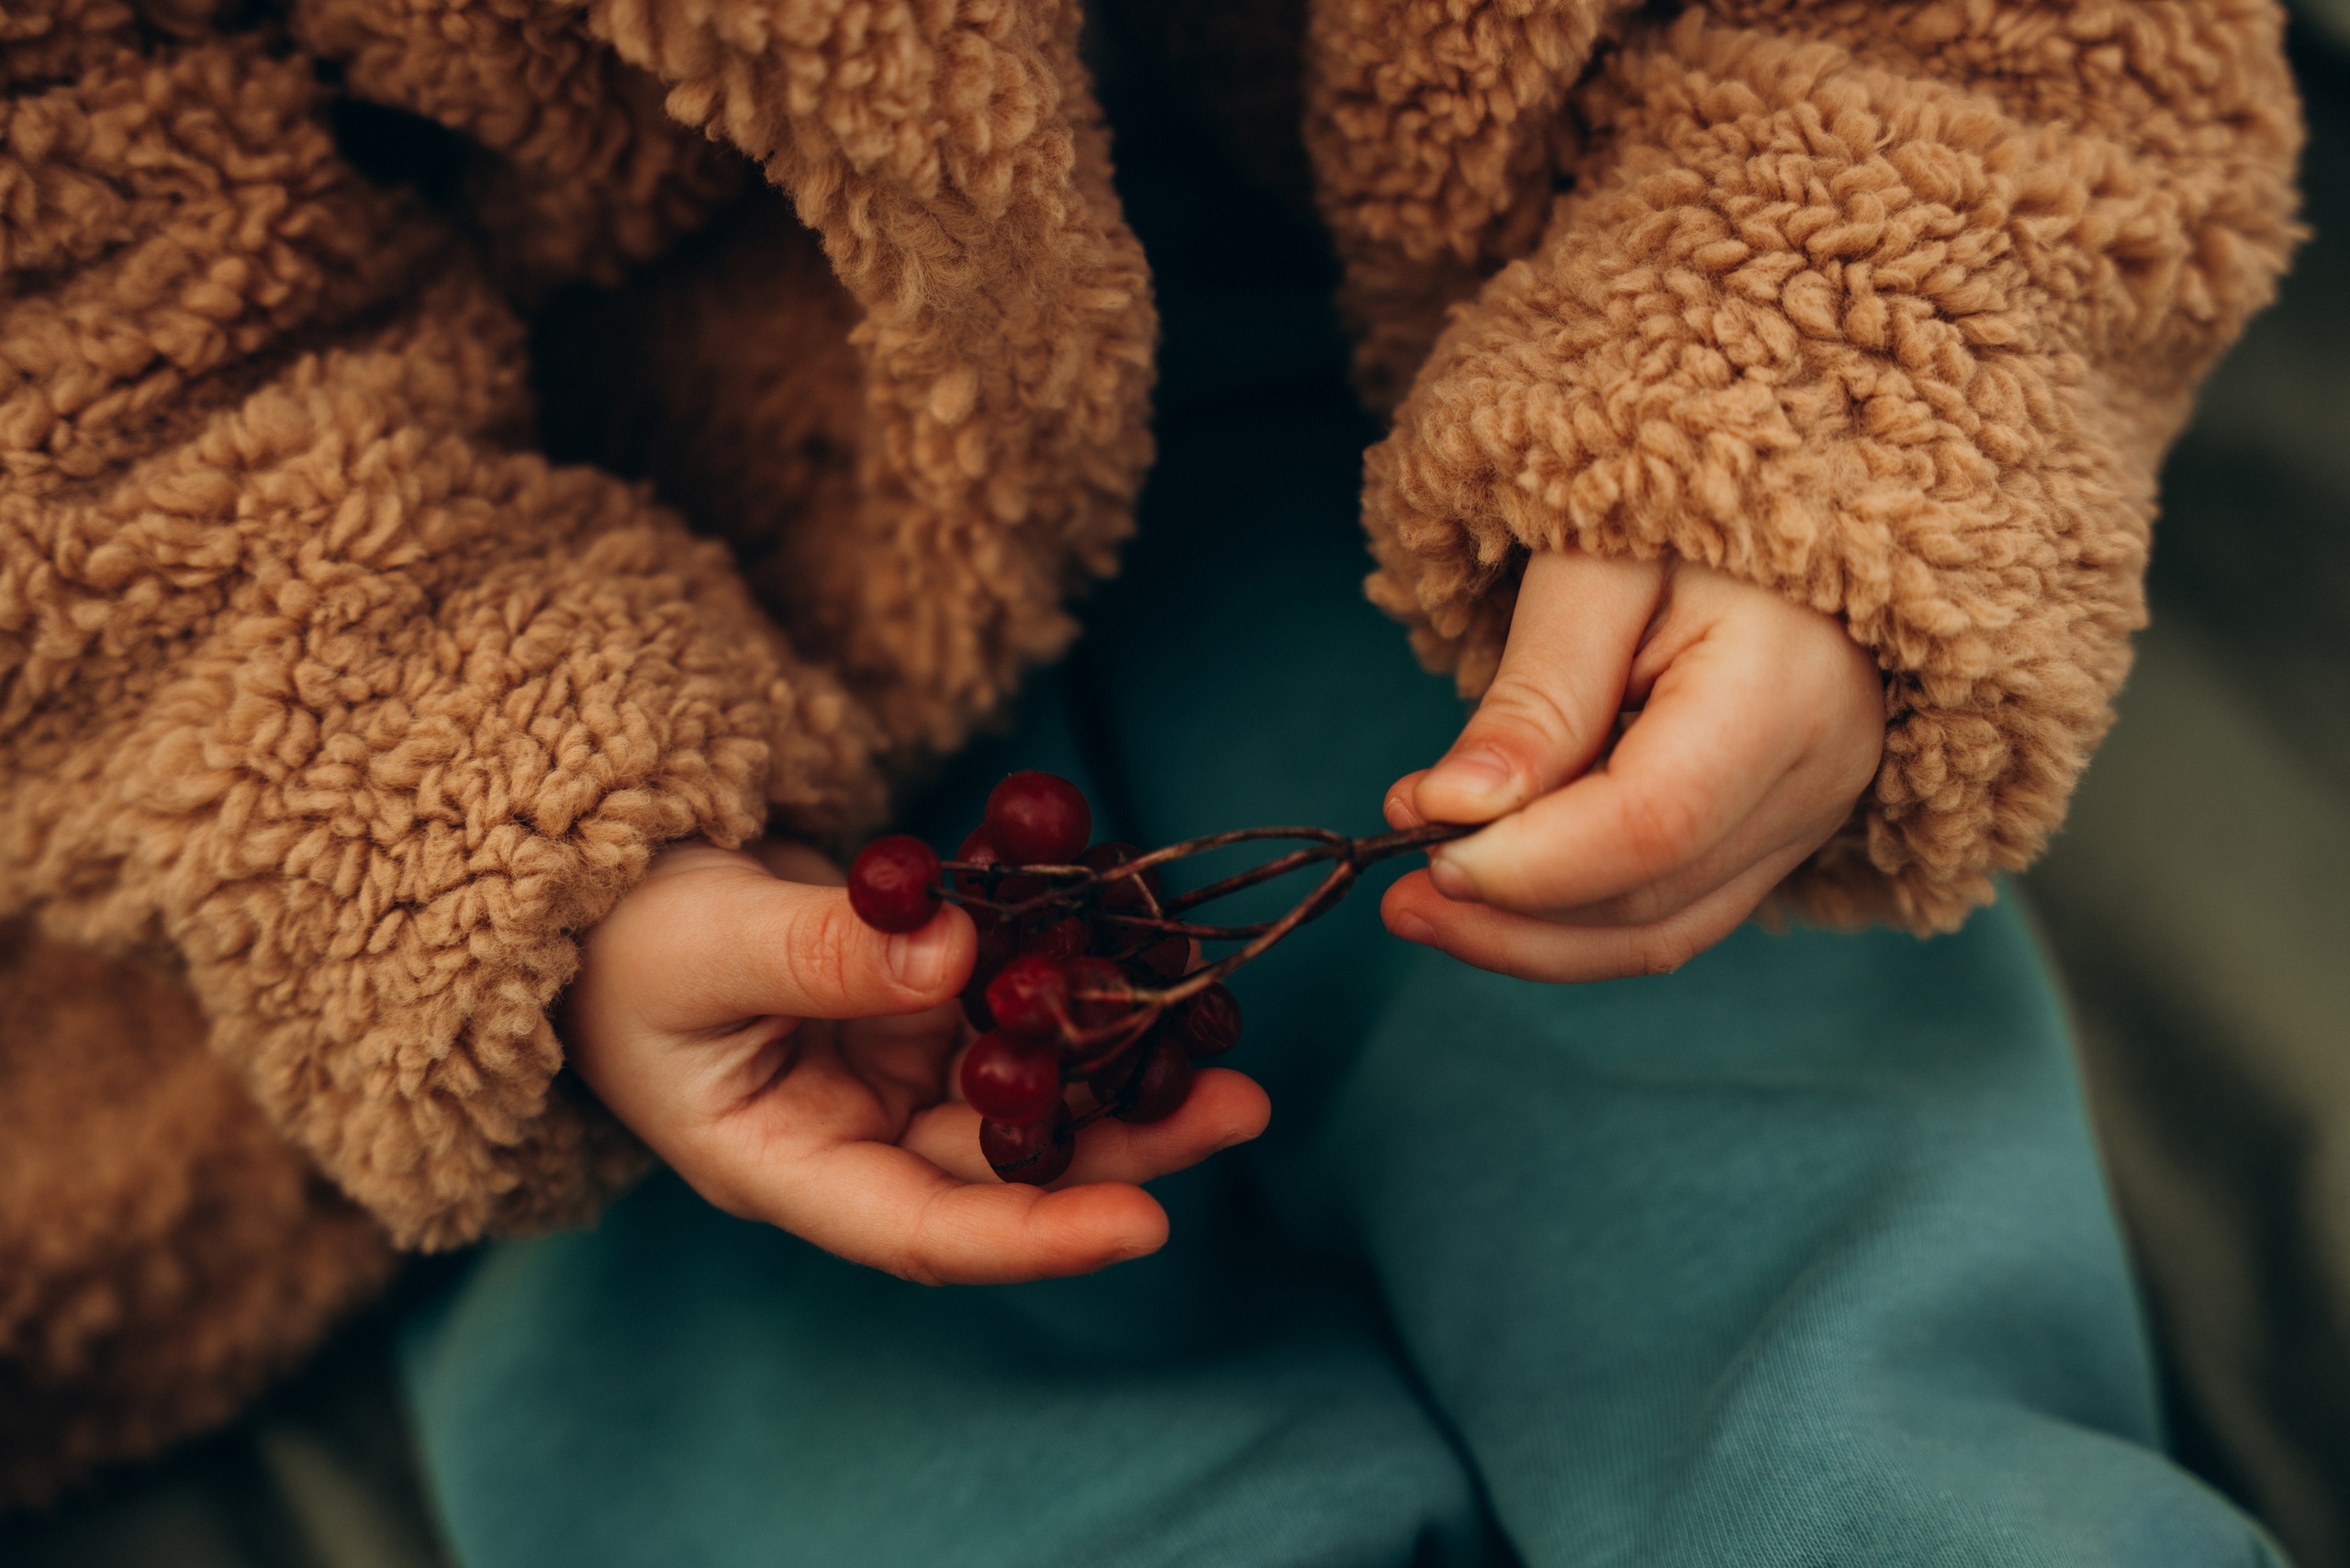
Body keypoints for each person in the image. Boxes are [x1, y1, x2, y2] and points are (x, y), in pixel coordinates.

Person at [0, 0, 2303, 1560]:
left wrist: (1811, 393)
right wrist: (496, 828)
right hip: (567, 615)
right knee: (844, 1434)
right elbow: (79, 310)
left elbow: (2002, 45)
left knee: (1830, 1326)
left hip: (1535, 476)